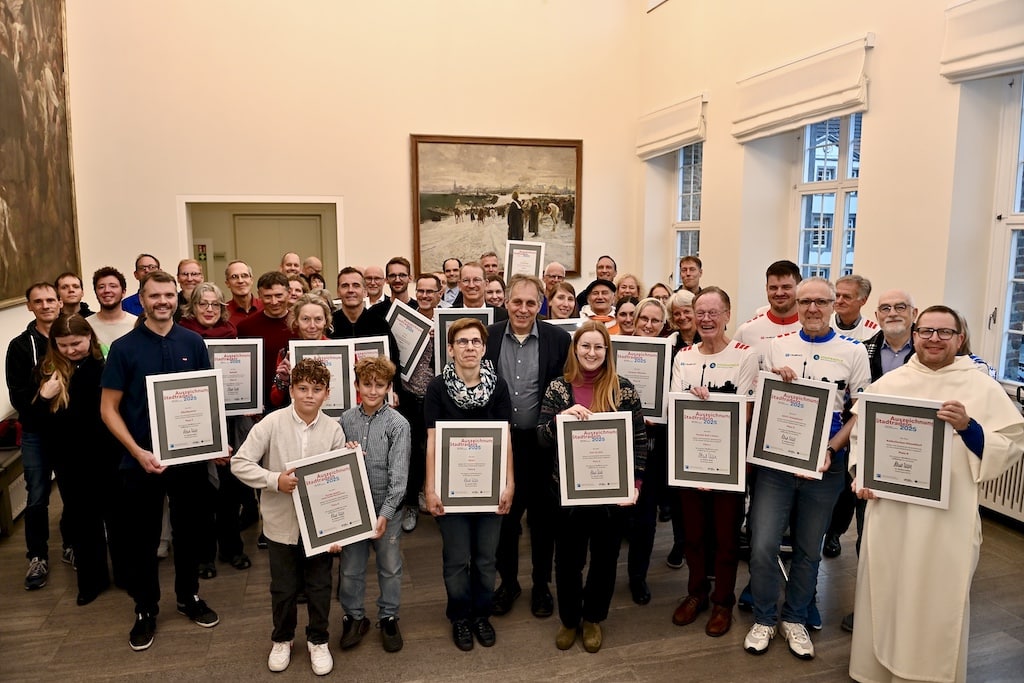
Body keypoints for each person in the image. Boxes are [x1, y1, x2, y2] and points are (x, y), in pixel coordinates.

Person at [849, 306, 1024, 683]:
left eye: (945, 333)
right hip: (891, 512)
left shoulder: (980, 386)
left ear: (960, 339)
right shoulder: (890, 384)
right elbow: (862, 438)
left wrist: (969, 426)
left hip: (948, 519)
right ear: (914, 335)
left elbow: (1010, 442)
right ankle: (875, 670)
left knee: (938, 596)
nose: (934, 339)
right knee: (885, 587)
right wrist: (860, 476)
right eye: (926, 331)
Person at [743, 277, 870, 661]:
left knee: (808, 549)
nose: (812, 308)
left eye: (821, 301)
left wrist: (831, 449)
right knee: (763, 544)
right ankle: (765, 616)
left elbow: (859, 410)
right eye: (806, 302)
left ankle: (795, 617)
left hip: (826, 466)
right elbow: (761, 402)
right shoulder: (775, 347)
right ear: (796, 305)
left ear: (835, 304)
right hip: (776, 465)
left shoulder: (854, 351)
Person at [100, 270, 219, 651]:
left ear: (176, 299)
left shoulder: (194, 341)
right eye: (155, 296)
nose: (163, 301)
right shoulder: (124, 348)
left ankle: (188, 597)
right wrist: (137, 452)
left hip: (188, 461)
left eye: (169, 295)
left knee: (190, 533)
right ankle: (144, 608)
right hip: (141, 461)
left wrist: (212, 443)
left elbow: (204, 399)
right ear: (142, 298)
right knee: (142, 539)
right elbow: (108, 409)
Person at [537, 321, 647, 653]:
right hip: (567, 493)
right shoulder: (558, 388)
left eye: (599, 347)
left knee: (605, 557)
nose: (592, 352)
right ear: (575, 349)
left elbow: (640, 442)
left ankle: (594, 618)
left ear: (607, 352)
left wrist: (636, 485)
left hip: (611, 495)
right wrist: (559, 420)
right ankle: (570, 620)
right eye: (585, 346)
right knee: (568, 560)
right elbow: (541, 438)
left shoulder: (623, 389)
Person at [231, 358, 345, 675]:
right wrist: (274, 480)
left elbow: (339, 482)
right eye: (303, 388)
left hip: (320, 529)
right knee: (283, 588)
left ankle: (318, 639)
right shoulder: (271, 423)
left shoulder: (334, 429)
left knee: (320, 585)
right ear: (292, 389)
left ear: (327, 393)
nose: (309, 395)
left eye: (317, 389)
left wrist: (337, 532)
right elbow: (240, 463)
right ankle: (282, 639)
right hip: (281, 525)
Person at [669, 288, 758, 637]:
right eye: (700, 312)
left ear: (726, 315)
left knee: (725, 536)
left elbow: (746, 411)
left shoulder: (745, 355)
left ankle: (723, 600)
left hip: (728, 461)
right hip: (689, 459)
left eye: (713, 312)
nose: (706, 319)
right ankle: (696, 594)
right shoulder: (684, 357)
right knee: (693, 533)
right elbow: (676, 404)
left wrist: (710, 403)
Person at [424, 318, 515, 651]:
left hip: (490, 489)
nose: (469, 347)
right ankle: (460, 617)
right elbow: (432, 440)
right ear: (450, 349)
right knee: (457, 558)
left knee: (486, 558)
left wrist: (510, 484)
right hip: (451, 491)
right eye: (462, 342)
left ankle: (481, 615)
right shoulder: (437, 388)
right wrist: (430, 488)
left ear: (484, 347)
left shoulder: (499, 387)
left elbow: (506, 437)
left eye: (476, 341)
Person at [487, 275, 571, 619]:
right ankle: (508, 583)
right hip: (501, 445)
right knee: (505, 519)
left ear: (541, 305)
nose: (523, 309)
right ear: (506, 303)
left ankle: (540, 585)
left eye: (530, 303)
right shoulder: (488, 337)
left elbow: (570, 386)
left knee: (543, 520)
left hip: (543, 445)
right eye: (517, 302)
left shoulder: (559, 339)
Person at [30, 314, 117, 605]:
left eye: (76, 343)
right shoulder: (48, 371)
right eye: (63, 345)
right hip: (69, 460)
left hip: (107, 454)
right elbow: (38, 423)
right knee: (83, 523)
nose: (70, 350)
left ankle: (126, 575)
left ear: (90, 337)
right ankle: (91, 581)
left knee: (116, 518)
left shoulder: (105, 365)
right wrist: (43, 397)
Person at [338, 356, 411, 654]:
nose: (372, 390)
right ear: (356, 386)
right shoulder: (345, 420)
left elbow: (400, 475)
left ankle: (389, 615)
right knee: (350, 568)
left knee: (390, 566)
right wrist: (343, 450)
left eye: (379, 385)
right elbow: (333, 462)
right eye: (366, 384)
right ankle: (354, 616)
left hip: (386, 508)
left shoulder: (398, 424)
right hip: (353, 509)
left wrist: (386, 513)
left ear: (388, 387)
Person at [178, 283, 251, 576]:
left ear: (222, 308)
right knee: (201, 494)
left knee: (230, 489)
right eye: (202, 304)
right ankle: (204, 555)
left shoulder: (232, 335)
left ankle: (232, 549)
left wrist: (248, 396)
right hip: (194, 421)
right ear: (192, 307)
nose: (209, 309)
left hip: (230, 421)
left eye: (214, 304)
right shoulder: (181, 336)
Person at [5, 281, 64, 589]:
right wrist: (42, 395)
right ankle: (37, 556)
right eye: (38, 301)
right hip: (35, 434)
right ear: (29, 306)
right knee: (38, 496)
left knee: (73, 493)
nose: (45, 305)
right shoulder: (19, 346)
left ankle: (73, 546)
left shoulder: (71, 337)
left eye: (50, 299)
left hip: (68, 432)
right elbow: (18, 398)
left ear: (60, 302)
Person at [624, 297, 674, 604]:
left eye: (656, 321)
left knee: (645, 519)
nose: (649, 325)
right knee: (613, 518)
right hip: (618, 444)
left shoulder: (673, 358)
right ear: (635, 319)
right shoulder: (615, 351)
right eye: (644, 318)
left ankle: (637, 577)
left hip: (653, 447)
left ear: (662, 325)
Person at [397, 274, 443, 533]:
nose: (425, 296)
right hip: (410, 396)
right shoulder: (406, 321)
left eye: (430, 292)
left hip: (438, 398)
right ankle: (411, 503)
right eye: (421, 291)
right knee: (413, 451)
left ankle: (435, 495)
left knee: (436, 450)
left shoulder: (447, 322)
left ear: (439, 293)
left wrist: (441, 337)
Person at [733, 260, 802, 370]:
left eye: (786, 287)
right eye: (773, 288)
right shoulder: (745, 331)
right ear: (766, 288)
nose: (779, 293)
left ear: (799, 288)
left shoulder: (810, 330)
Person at [88, 266, 137, 357]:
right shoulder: (86, 325)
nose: (107, 290)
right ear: (96, 292)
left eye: (113, 286)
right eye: (101, 287)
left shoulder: (136, 324)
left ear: (123, 292)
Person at [831, 274, 878, 342]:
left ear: (863, 301)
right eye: (837, 296)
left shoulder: (873, 332)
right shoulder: (824, 325)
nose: (839, 301)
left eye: (847, 297)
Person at [223, 260, 262, 326]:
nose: (240, 281)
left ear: (251, 280)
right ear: (227, 283)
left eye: (244, 276)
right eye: (234, 277)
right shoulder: (223, 312)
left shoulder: (265, 307)